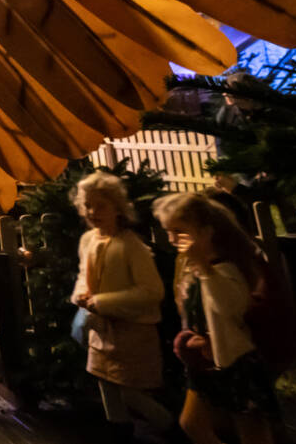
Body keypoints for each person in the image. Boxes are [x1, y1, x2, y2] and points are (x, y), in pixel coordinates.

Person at [153, 192, 279, 444]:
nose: (172, 239)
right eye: (169, 231)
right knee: (191, 423)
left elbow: (228, 308)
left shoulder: (225, 270)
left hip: (237, 365)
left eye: (179, 231)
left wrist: (203, 266)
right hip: (208, 364)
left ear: (205, 232)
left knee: (253, 434)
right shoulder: (194, 268)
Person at [71, 172, 174, 441]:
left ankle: (174, 428)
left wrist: (103, 301)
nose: (93, 211)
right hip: (101, 328)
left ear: (118, 207)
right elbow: (85, 275)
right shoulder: (89, 240)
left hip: (132, 329)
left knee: (130, 389)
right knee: (105, 382)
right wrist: (81, 295)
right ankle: (118, 430)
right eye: (88, 205)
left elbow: (152, 291)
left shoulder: (131, 246)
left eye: (101, 205)